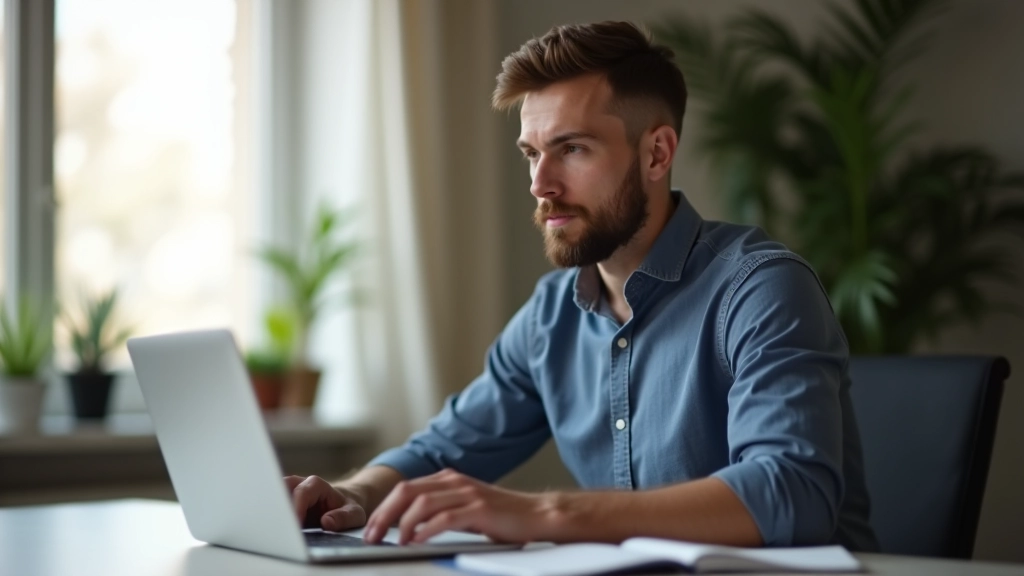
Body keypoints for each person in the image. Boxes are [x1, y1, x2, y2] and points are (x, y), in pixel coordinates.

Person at [287, 20, 879, 551]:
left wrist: (546, 513)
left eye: (571, 149)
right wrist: (356, 492)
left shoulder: (761, 288)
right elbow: (443, 449)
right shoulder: (551, 315)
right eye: (531, 153)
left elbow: (792, 492)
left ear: (657, 153)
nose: (540, 183)